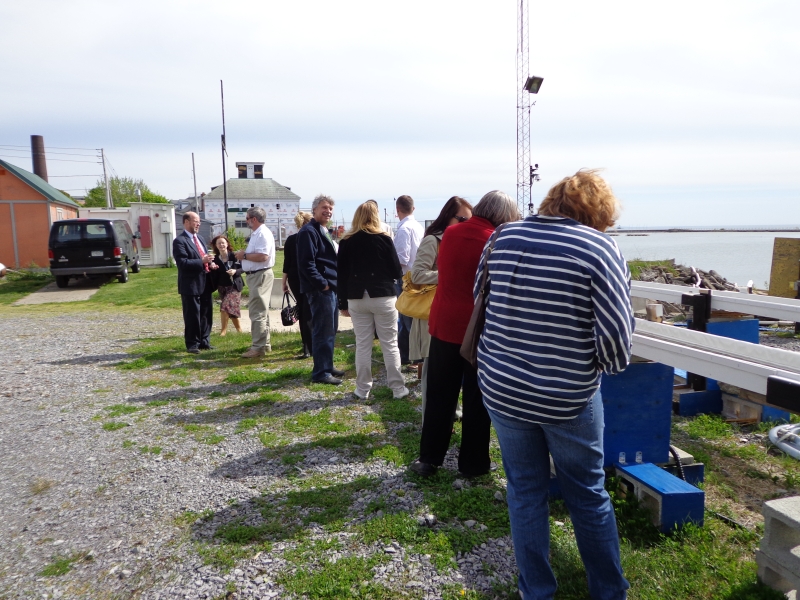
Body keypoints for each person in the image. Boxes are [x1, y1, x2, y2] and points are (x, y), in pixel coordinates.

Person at [479, 170, 634, 600]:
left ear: (551, 201)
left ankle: (537, 591)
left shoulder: (502, 237)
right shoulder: (600, 248)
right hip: (566, 395)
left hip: (503, 386)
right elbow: (617, 343)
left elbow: (483, 301)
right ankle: (607, 591)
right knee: (586, 493)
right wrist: (601, 366)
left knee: (525, 490)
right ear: (599, 212)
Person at [409, 191, 519, 478]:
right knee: (476, 399)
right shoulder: (496, 240)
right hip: (478, 329)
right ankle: (473, 464)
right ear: (503, 216)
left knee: (439, 396)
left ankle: (428, 459)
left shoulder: (451, 234)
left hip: (444, 323)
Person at [409, 196, 473, 423]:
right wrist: (447, 275)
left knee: (450, 368)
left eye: (469, 219)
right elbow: (417, 274)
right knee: (433, 372)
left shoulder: (462, 240)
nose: (466, 223)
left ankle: (452, 413)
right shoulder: (433, 241)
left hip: (451, 312)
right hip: (432, 311)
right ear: (448, 216)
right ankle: (431, 420)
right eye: (462, 218)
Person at [338, 202, 406, 400]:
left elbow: (341, 276)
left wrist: (342, 303)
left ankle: (362, 389)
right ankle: (398, 388)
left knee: (363, 344)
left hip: (356, 297)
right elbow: (396, 271)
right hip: (383, 295)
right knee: (390, 343)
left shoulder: (346, 241)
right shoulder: (384, 239)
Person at [297, 194, 346, 385]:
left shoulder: (323, 230)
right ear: (315, 210)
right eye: (324, 207)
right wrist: (322, 283)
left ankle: (327, 365)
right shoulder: (309, 232)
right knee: (322, 330)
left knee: (330, 329)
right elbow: (306, 263)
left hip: (330, 287)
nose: (328, 211)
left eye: (331, 208)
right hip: (320, 289)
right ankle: (321, 372)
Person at [172, 212, 218, 354]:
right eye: (195, 221)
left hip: (205, 282)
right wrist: (202, 261)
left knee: (205, 313)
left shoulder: (201, 239)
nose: (198, 224)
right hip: (190, 284)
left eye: (199, 222)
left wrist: (210, 264)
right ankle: (192, 344)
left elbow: (203, 258)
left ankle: (205, 341)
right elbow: (183, 263)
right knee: (192, 315)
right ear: (186, 222)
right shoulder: (180, 241)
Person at [234, 207, 276, 358]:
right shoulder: (258, 233)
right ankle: (264, 344)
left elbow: (263, 256)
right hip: (257, 275)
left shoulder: (262, 233)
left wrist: (244, 255)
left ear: (254, 219)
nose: (246, 221)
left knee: (257, 311)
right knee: (261, 310)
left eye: (247, 218)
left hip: (259, 275)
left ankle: (258, 348)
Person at [393, 194, 424, 365]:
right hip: (418, 278)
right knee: (409, 320)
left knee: (407, 319)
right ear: (413, 208)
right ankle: (406, 355)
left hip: (406, 280)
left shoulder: (404, 229)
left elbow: (402, 259)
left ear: (397, 210)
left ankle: (415, 357)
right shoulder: (418, 227)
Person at [282, 211, 314, 358]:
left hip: (294, 278)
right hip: (309, 277)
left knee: (303, 311)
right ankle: (313, 346)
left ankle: (307, 347)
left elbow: (286, 263)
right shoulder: (312, 237)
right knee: (310, 312)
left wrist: (284, 282)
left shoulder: (291, 239)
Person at [210, 235, 243, 336]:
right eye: (219, 243)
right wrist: (212, 267)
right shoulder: (215, 259)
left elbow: (244, 268)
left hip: (234, 286)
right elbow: (212, 274)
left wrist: (235, 271)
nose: (221, 245)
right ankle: (239, 330)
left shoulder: (234, 255)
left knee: (225, 307)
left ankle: (223, 331)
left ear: (227, 244)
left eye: (223, 242)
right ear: (216, 245)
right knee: (231, 309)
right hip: (222, 287)